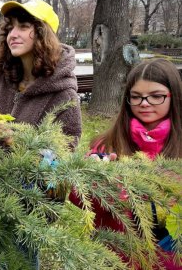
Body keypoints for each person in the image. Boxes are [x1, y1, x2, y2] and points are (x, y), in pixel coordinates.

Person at [69, 59, 182, 269]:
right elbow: (79, 197)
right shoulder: (108, 145)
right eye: (136, 97)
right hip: (118, 260)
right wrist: (95, 180)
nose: (144, 103)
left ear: (173, 96)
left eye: (156, 96)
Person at [0, 0, 81, 147]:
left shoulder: (64, 95)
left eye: (23, 27)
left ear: (44, 34)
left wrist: (16, 142)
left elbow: (65, 155)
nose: (12, 34)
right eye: (11, 27)